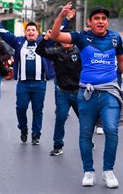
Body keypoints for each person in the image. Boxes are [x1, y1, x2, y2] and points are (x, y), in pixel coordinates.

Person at [50, 3, 123, 188]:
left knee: (111, 130)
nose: (101, 22)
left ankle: (108, 171)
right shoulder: (81, 37)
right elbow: (55, 36)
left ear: (107, 21)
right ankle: (88, 171)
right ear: (90, 21)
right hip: (86, 94)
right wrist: (61, 16)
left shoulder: (114, 38)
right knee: (86, 134)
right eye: (97, 18)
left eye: (104, 19)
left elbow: (121, 60)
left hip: (109, 92)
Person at [0, 10, 59, 145]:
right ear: (25, 33)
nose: (31, 32)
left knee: (38, 110)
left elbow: (56, 32)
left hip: (39, 84)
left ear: (37, 32)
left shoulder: (44, 42)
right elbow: (4, 33)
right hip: (23, 84)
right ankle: (23, 128)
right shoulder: (18, 42)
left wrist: (65, 19)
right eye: (28, 30)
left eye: (33, 30)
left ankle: (36, 134)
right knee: (21, 108)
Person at [35, 28, 82, 156]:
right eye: (63, 38)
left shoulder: (80, 51)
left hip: (78, 92)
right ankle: (58, 146)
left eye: (68, 38)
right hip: (62, 92)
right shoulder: (56, 52)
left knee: (84, 120)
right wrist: (46, 38)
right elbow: (39, 50)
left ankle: (88, 141)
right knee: (60, 118)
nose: (65, 41)